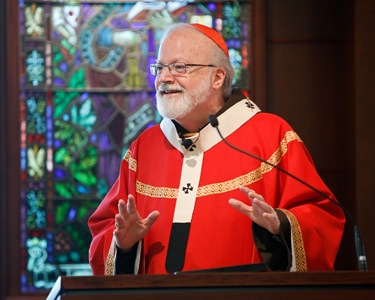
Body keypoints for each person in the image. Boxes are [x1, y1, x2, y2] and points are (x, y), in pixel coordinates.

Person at [88, 23, 345, 275]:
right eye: (160, 67)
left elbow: (322, 218)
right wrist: (123, 244)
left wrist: (280, 226)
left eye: (179, 67)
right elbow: (106, 227)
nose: (163, 78)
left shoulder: (271, 136)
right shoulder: (145, 146)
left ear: (217, 77)